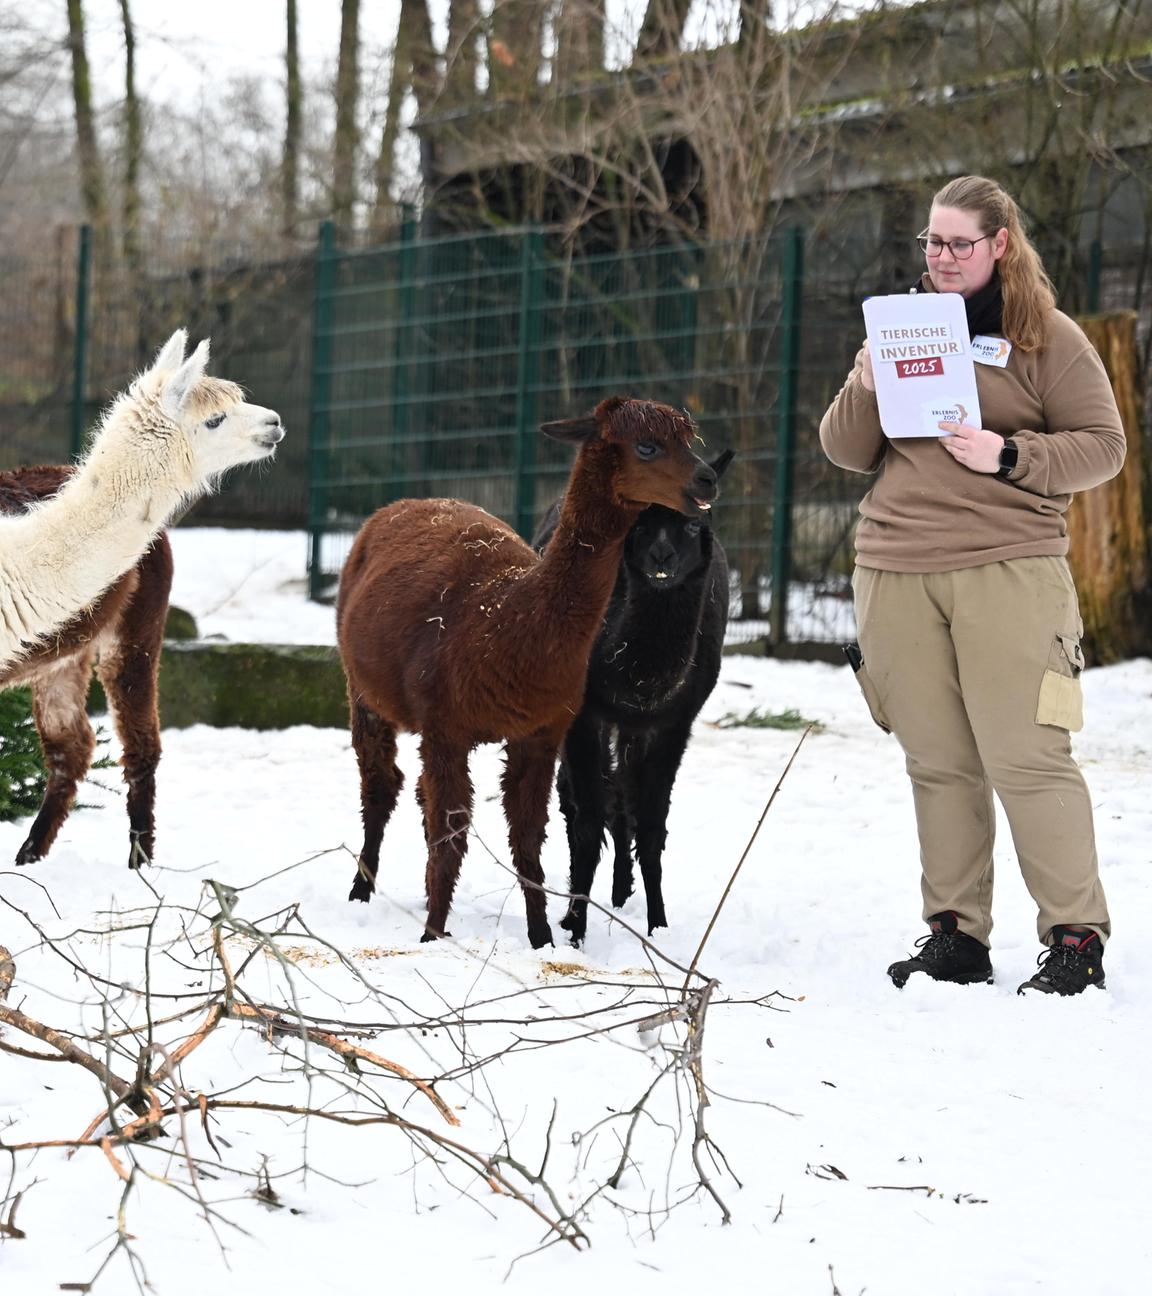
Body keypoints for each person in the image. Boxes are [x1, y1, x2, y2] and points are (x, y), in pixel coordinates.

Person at [819, 175, 1126, 997]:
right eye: (932, 241)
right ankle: (955, 935)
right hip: (895, 567)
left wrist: (1011, 454)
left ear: (1000, 244)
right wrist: (868, 381)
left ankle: (1075, 938)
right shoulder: (903, 325)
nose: (942, 257)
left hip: (1008, 567)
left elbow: (1105, 446)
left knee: (1028, 756)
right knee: (938, 762)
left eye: (959, 243)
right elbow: (845, 449)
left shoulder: (1046, 337)